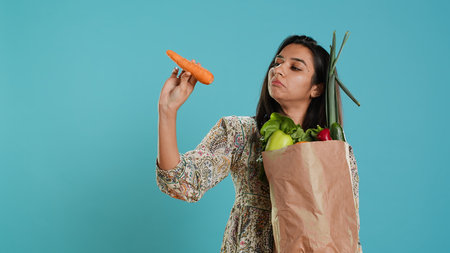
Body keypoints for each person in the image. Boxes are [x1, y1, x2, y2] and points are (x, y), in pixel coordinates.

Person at [156, 35, 362, 253]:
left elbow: (347, 226)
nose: (279, 70)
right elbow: (181, 184)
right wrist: (167, 111)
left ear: (317, 89)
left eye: (295, 68)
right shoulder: (240, 133)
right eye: (277, 62)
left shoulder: (331, 148)